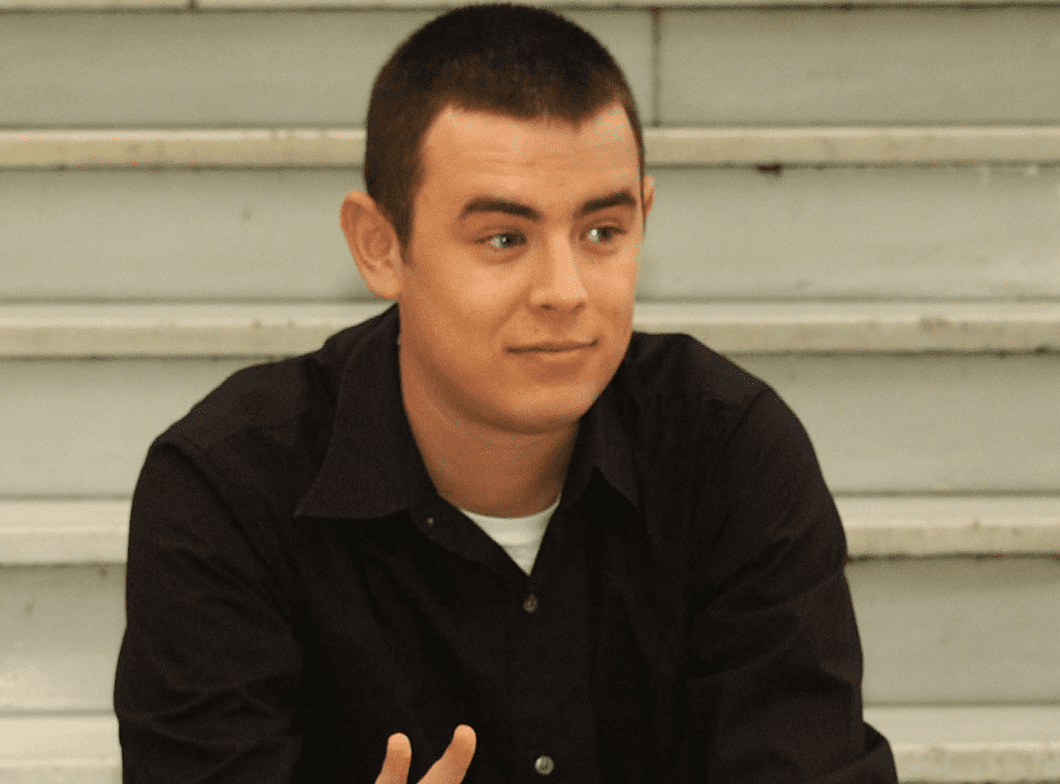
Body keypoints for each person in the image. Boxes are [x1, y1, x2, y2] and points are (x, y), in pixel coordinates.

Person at [113, 5, 899, 783]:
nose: (564, 291)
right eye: (503, 238)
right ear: (380, 246)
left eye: (602, 233)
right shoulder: (229, 491)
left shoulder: (729, 454)